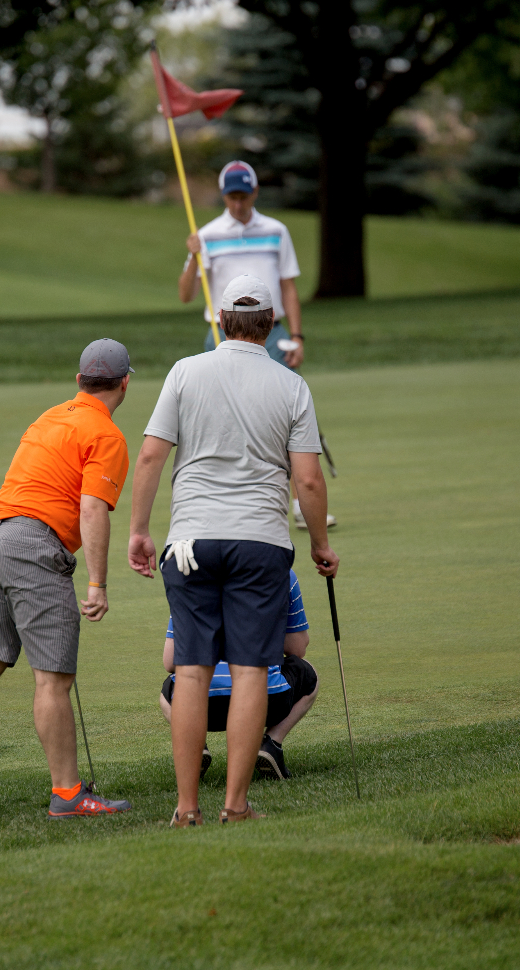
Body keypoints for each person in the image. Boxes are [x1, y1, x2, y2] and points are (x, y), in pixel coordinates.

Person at [129, 273, 339, 827]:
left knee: (191, 671)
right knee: (249, 671)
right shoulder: (291, 385)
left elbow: (150, 456)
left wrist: (139, 530)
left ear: (220, 320)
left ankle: (186, 808)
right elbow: (308, 479)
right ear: (270, 324)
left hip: (190, 541)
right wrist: (320, 545)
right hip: (259, 541)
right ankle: (236, 806)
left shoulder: (184, 371)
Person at [0, 339, 135, 820]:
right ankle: (69, 794)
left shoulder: (49, 416)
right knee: (54, 679)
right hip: (31, 545)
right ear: (124, 383)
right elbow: (92, 509)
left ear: (79, 381)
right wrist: (98, 584)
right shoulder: (106, 434)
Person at [177, 159, 336, 532]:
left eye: (243, 196)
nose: (238, 204)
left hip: (273, 332)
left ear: (255, 193)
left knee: (285, 417)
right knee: (220, 419)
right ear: (223, 196)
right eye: (231, 197)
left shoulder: (276, 231)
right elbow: (186, 294)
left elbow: (288, 287)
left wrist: (298, 336)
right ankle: (222, 504)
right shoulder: (207, 234)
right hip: (220, 334)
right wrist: (193, 257)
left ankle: (300, 505)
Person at [160, 568, 319, 781]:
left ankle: (194, 745)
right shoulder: (281, 570)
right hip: (266, 699)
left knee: (168, 692)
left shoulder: (190, 573)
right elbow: (296, 649)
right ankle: (271, 744)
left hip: (198, 706)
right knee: (308, 674)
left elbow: (170, 660)